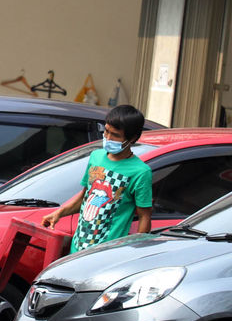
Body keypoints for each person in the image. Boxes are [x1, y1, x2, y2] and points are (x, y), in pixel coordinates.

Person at [41, 104, 152, 253]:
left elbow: (144, 216)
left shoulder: (141, 172)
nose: (108, 138)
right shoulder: (96, 157)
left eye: (116, 135)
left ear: (132, 138)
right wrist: (59, 213)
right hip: (77, 249)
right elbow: (85, 196)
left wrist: (136, 251)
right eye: (106, 131)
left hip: (106, 254)